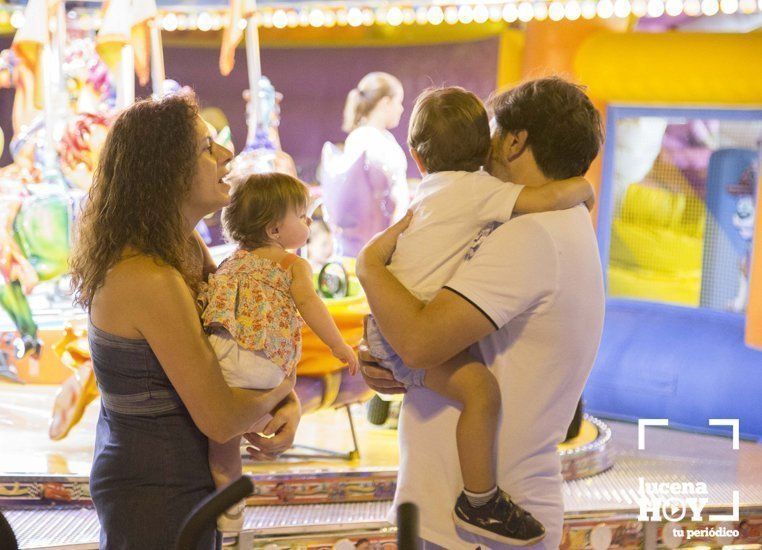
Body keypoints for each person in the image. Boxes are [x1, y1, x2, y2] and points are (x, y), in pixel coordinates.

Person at [356, 77, 606, 549]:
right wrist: (392, 361)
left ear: (515, 141)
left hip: (476, 533)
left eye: (490, 133)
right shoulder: (539, 224)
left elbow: (420, 341)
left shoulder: (531, 235)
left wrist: (369, 268)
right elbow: (426, 332)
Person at [70, 95, 302, 549]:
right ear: (165, 170)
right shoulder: (146, 276)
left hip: (182, 476)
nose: (226, 155)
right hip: (154, 491)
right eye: (207, 147)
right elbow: (219, 418)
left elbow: (237, 342)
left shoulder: (185, 246)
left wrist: (285, 404)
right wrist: (284, 385)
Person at [199, 172, 359, 530]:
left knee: (221, 441)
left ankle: (226, 500)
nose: (307, 222)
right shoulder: (292, 264)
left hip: (219, 356)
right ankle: (235, 507)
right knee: (262, 403)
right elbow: (311, 306)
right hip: (264, 362)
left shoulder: (231, 260)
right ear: (274, 230)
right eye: (302, 217)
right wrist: (338, 345)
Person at [320, 72, 409, 257]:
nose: (401, 109)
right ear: (385, 102)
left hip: (388, 232)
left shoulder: (379, 137)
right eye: (398, 102)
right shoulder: (365, 139)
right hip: (377, 236)